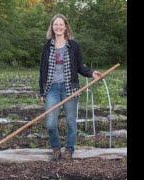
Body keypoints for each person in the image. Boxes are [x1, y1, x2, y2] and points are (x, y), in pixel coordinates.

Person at [39, 14, 102, 161]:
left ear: (65, 26)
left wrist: (91, 73)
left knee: (70, 122)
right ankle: (56, 148)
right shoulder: (47, 47)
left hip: (70, 88)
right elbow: (42, 70)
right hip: (52, 89)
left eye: (61, 24)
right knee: (50, 123)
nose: (58, 27)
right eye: (56, 24)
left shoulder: (74, 45)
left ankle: (69, 149)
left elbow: (80, 66)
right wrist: (42, 92)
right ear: (52, 27)